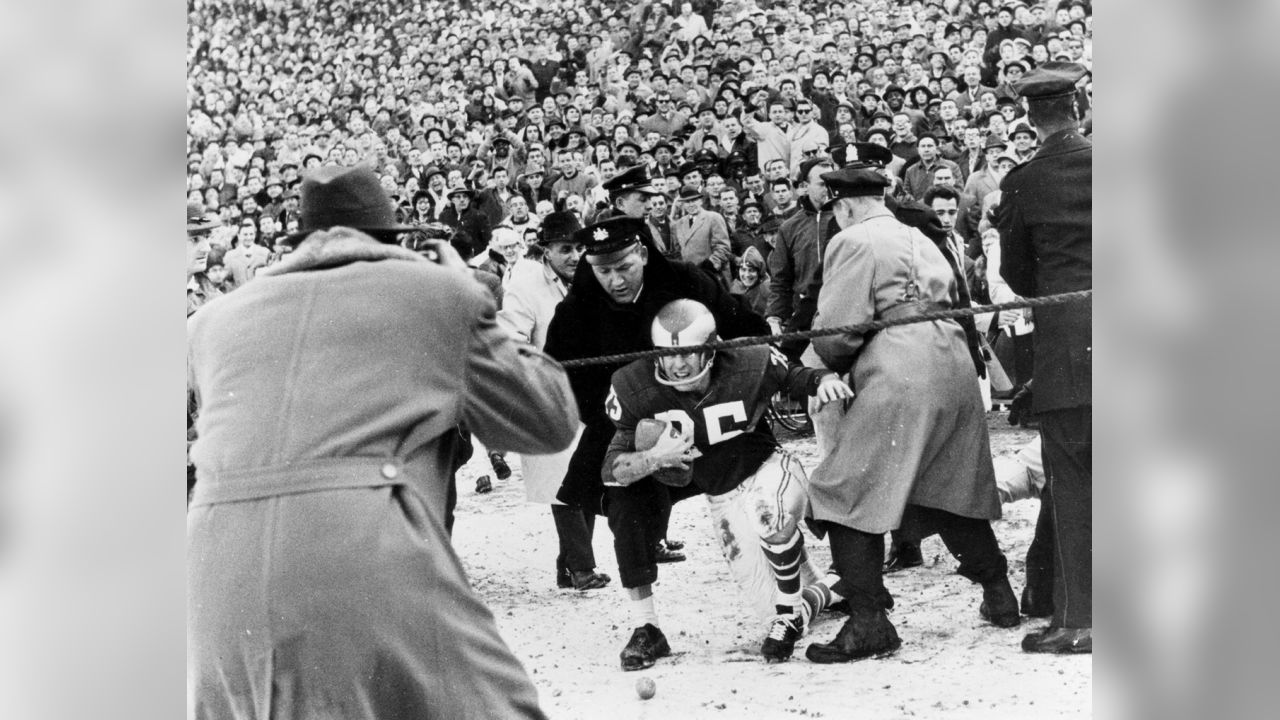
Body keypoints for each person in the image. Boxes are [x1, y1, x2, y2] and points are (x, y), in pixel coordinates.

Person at [188, 165, 579, 717]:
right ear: (390, 238)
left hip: (215, 577)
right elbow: (547, 421)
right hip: (360, 546)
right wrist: (471, 303)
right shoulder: (433, 293)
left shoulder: (213, 321)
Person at [800, 165, 1020, 664]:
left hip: (900, 368)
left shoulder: (852, 240)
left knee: (842, 491)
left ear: (846, 205)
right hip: (954, 366)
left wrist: (816, 369)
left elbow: (837, 333)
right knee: (947, 486)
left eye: (834, 209)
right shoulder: (923, 236)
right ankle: (999, 593)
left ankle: (869, 620)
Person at [542, 217, 770, 668]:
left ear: (643, 253)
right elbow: (556, 379)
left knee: (765, 487)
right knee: (623, 503)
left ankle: (802, 583)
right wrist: (624, 421)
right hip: (631, 428)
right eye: (603, 270)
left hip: (711, 411)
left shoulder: (685, 280)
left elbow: (749, 331)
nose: (615, 279)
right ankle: (647, 626)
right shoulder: (576, 310)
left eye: (624, 266)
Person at [603, 299, 854, 667]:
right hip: (720, 494)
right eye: (667, 354)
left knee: (770, 516)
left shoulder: (749, 360)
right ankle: (829, 591)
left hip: (767, 468)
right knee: (771, 612)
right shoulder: (633, 385)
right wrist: (655, 458)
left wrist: (822, 380)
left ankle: (790, 611)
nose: (677, 364)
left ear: (711, 348)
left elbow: (796, 377)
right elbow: (611, 470)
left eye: (688, 353)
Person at [996, 61, 1093, 655]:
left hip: (1068, 352)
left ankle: (1080, 619)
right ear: (1080, 108)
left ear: (1031, 120)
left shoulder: (1023, 181)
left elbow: (1016, 272)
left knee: (1076, 485)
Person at [497, 211, 613, 591]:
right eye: (565, 249)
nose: (575, 255)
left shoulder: (592, 278)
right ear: (545, 250)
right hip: (546, 397)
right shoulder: (526, 285)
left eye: (580, 247)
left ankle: (569, 564)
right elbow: (510, 340)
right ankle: (582, 567)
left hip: (589, 395)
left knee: (589, 475)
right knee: (562, 481)